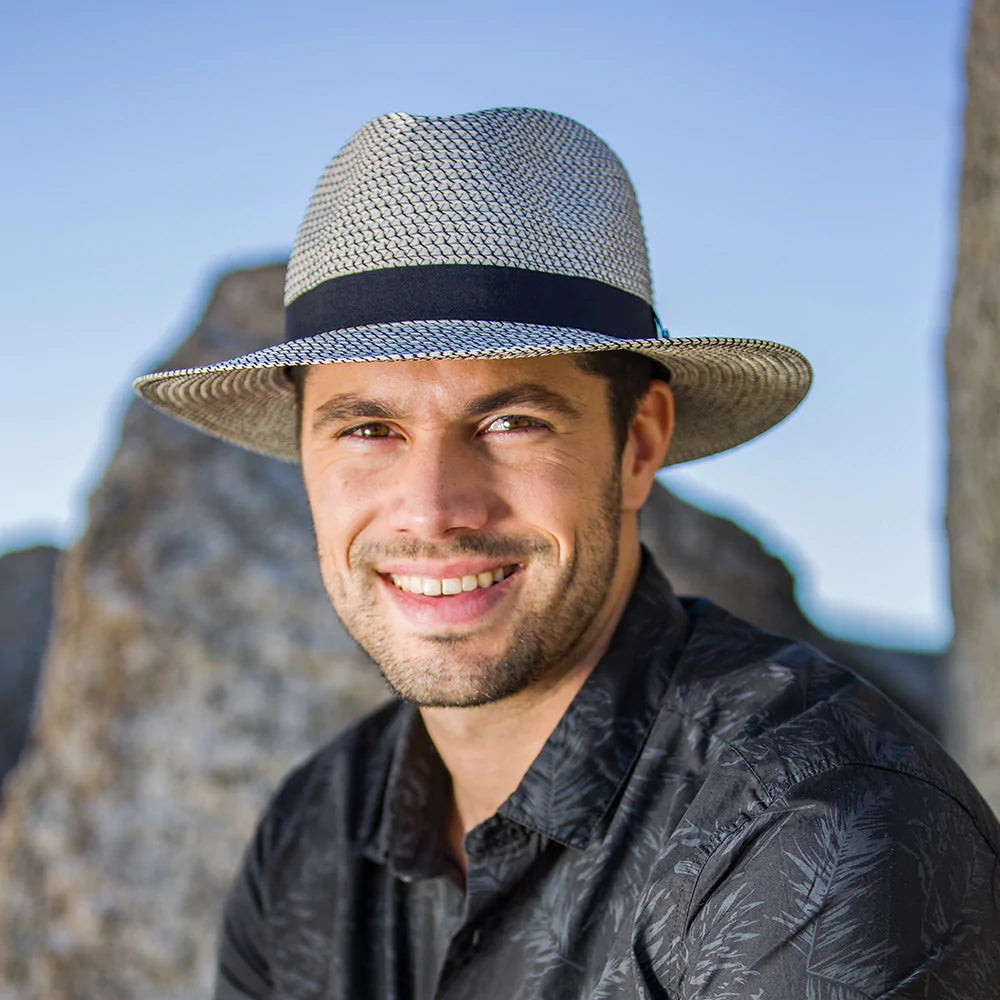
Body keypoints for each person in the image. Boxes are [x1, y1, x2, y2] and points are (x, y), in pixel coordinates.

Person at [135, 108, 1000, 999]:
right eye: (368, 428)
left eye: (510, 422)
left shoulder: (822, 831)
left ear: (639, 444)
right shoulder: (309, 834)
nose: (434, 511)